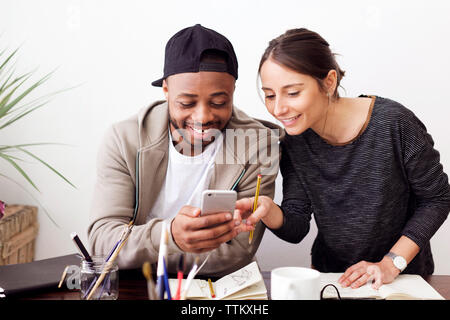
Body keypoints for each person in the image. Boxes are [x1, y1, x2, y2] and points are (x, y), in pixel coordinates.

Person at [236, 28, 450, 289]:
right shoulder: (296, 141)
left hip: (400, 279)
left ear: (329, 81)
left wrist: (390, 263)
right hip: (334, 279)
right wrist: (269, 210)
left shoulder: (394, 123)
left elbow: (437, 199)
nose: (278, 108)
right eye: (269, 95)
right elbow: (296, 226)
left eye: (292, 93)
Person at [88, 24, 281, 276]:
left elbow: (238, 252)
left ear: (233, 91)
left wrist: (139, 254)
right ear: (166, 90)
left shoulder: (259, 144)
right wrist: (169, 235)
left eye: (219, 102)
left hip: (217, 290)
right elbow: (102, 243)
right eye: (187, 103)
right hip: (135, 288)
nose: (203, 116)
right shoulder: (124, 140)